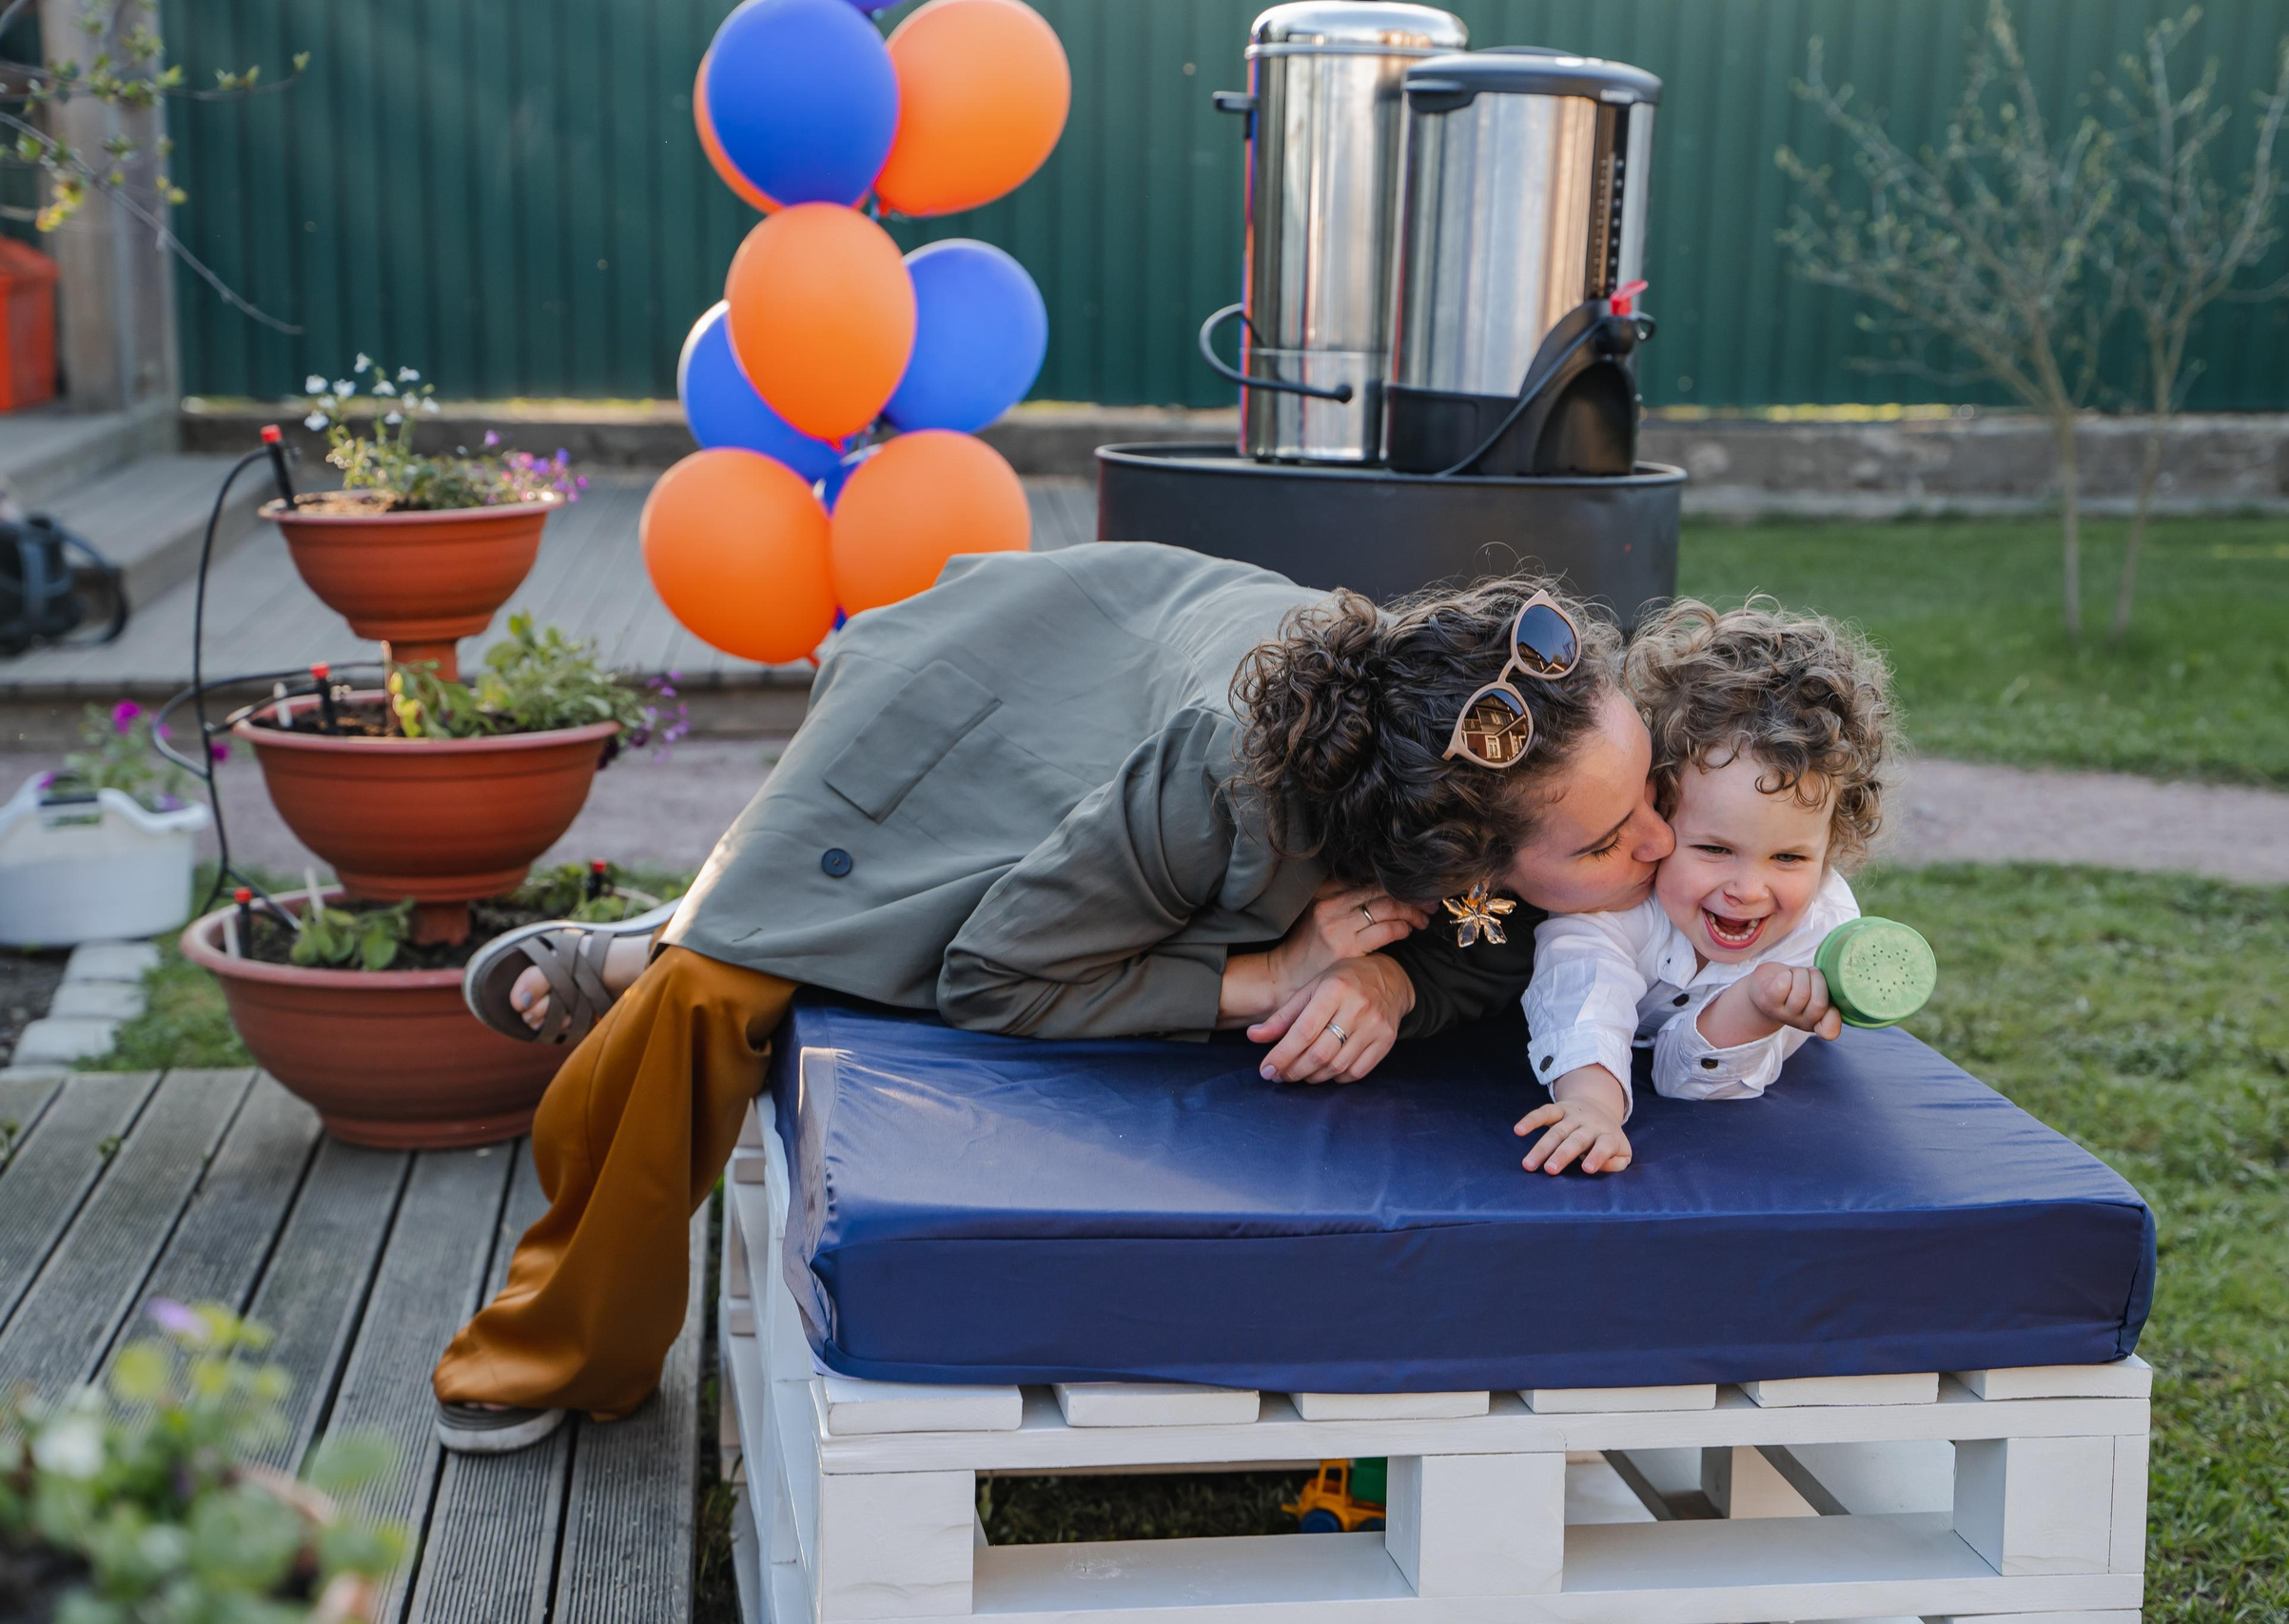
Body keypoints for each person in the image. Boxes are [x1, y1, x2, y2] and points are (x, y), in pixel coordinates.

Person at [433, 540, 1674, 1454]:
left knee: (898, 931)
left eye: (1650, 798)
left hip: (1143, 684)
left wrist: (1391, 976)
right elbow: (996, 971)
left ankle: (671, 931)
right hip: (988, 696)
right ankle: (560, 1322)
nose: (1660, 844)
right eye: (1613, 836)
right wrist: (1270, 974)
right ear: (1451, 847)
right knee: (720, 987)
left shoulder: (1495, 750)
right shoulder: (1227, 786)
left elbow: (1490, 945)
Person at [1514, 597, 1901, 1178]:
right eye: (1715, 850)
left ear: (1830, 848)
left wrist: (1752, 1010)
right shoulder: (1617, 898)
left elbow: (1688, 1082)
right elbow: (1582, 990)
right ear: (1659, 814)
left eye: (1789, 857)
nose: (1748, 889)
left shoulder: (1821, 937)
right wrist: (1591, 1104)